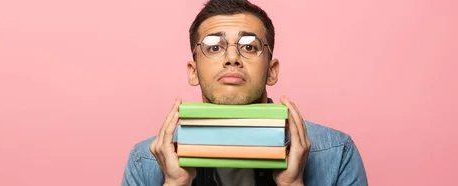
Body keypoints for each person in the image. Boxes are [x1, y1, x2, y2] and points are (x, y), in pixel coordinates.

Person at [121, 0, 368, 185]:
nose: (232, 58)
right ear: (193, 71)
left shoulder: (337, 153)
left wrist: (292, 184)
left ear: (272, 70)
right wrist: (174, 184)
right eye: (214, 46)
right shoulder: (145, 161)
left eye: (249, 46)